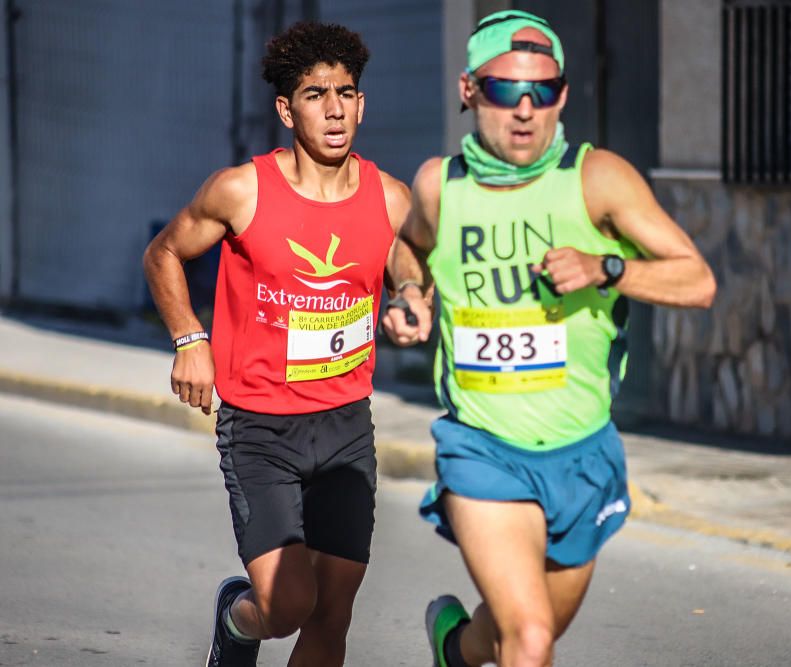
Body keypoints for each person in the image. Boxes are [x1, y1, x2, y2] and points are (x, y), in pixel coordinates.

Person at [382, 9, 716, 667]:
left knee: (520, 633)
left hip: (582, 452)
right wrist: (409, 294)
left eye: (545, 91)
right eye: (506, 90)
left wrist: (606, 267)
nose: (526, 110)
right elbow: (409, 249)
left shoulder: (597, 180)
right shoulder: (439, 187)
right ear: (469, 91)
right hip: (481, 446)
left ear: (563, 95)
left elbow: (698, 280)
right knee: (530, 640)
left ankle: (455, 648)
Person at [143, 21, 410, 667]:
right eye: (316, 94)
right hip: (261, 426)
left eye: (346, 92)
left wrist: (408, 300)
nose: (336, 108)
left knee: (334, 613)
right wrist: (190, 339)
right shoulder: (243, 190)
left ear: (363, 102)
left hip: (346, 424)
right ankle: (239, 622)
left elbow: (409, 264)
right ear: (287, 109)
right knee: (288, 605)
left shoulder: (391, 197)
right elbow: (164, 254)